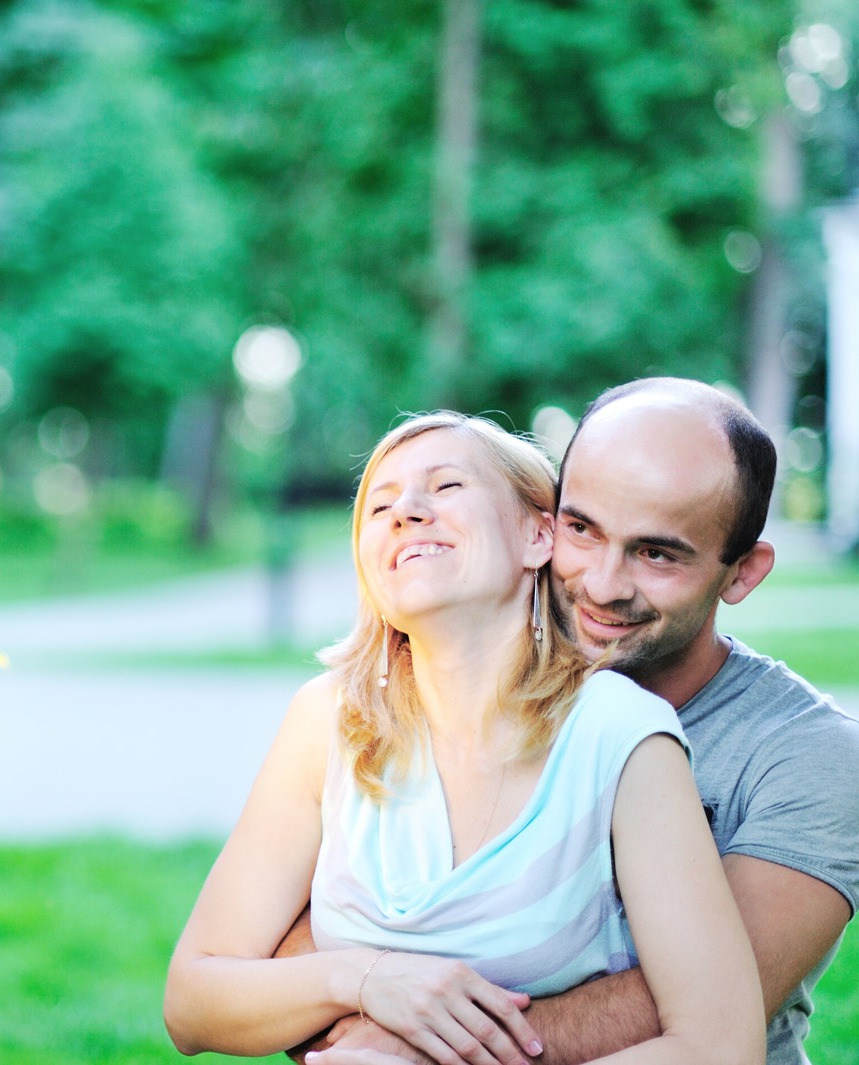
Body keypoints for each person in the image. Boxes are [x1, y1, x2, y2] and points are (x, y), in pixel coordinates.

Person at [163, 410, 764, 1065]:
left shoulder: (621, 735)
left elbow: (720, 1043)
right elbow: (193, 1002)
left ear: (539, 535)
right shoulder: (328, 719)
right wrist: (363, 979)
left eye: (446, 487)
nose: (407, 511)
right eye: (380, 505)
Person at [293, 378, 859, 1065]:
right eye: (582, 529)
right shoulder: (430, 691)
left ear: (741, 574)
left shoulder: (810, 756)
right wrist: (362, 992)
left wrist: (405, 1041)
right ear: (542, 522)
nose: (601, 584)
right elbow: (291, 937)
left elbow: (689, 1012)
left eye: (657, 553)